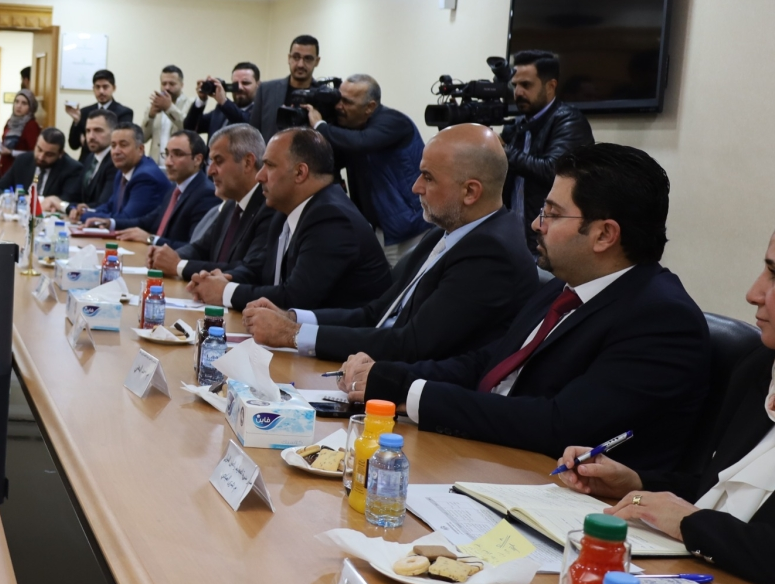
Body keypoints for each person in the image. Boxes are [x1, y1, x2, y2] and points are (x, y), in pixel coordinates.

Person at [341, 144, 709, 474]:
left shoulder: (661, 319)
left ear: (604, 235)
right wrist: (390, 377)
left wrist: (411, 394)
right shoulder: (563, 287)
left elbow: (560, 424)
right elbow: (487, 364)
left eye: (552, 214)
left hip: (561, 495)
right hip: (490, 459)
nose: (536, 224)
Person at [555, 230, 775, 584]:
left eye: (774, 275)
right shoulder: (759, 367)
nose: (754, 293)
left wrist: (693, 525)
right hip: (700, 579)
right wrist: (635, 483)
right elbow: (717, 490)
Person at [243, 123, 540, 362]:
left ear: (470, 192)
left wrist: (294, 335)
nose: (415, 187)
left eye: (427, 177)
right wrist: (292, 318)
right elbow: (375, 314)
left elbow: (412, 344)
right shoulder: (446, 232)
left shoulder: (491, 253)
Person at [187, 128, 391, 313]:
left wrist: (225, 292)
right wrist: (223, 279)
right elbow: (259, 269)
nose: (259, 176)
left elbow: (295, 298)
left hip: (342, 340)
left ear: (300, 172)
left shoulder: (332, 218)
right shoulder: (285, 211)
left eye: (269, 165)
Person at [306, 74, 428, 265]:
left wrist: (320, 126)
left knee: (401, 279)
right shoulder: (352, 126)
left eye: (347, 102)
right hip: (378, 226)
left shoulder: (394, 121)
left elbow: (361, 142)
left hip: (407, 228)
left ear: (370, 107)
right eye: (339, 99)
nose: (339, 106)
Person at [146, 124, 274, 281]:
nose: (210, 171)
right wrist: (167, 256)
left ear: (247, 162)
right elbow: (200, 248)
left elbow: (248, 270)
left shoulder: (269, 207)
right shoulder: (230, 204)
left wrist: (179, 265)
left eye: (218, 161)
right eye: (211, 161)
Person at [501, 50, 594, 251]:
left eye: (526, 85)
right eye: (515, 85)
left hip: (551, 239)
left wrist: (503, 152)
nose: (518, 93)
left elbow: (554, 170)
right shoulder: (516, 125)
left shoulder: (569, 120)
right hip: (515, 238)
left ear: (550, 86)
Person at [113, 130, 218, 247]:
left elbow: (193, 248)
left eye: (178, 154)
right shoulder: (175, 189)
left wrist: (150, 239)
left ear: (197, 159)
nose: (168, 162)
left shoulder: (206, 194)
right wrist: (111, 223)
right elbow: (146, 221)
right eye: (167, 154)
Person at [74, 123, 172, 230]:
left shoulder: (146, 177)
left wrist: (85, 216)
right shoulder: (122, 172)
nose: (116, 151)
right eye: (113, 146)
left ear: (140, 149)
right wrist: (87, 211)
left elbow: (126, 219)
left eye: (123, 145)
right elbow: (110, 206)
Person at [252, 34, 322, 138]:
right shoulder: (266, 90)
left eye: (308, 58)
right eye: (296, 57)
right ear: (289, 58)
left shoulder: (323, 96)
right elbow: (253, 133)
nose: (300, 64)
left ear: (317, 61)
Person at [44, 111, 113, 212]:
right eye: (88, 131)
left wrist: (62, 205)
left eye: (98, 130)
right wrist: (55, 202)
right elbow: (76, 196)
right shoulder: (90, 158)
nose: (91, 136)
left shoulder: (115, 162)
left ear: (113, 132)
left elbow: (102, 205)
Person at [0, 128, 85, 202]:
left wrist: (37, 201)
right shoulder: (22, 160)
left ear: (61, 154)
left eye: (48, 154)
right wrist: (16, 199)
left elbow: (66, 201)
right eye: (39, 149)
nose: (41, 157)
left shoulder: (72, 169)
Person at [65, 69, 132, 153]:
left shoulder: (124, 112)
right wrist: (76, 121)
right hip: (87, 160)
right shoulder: (84, 112)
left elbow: (121, 142)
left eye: (105, 87)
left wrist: (86, 141)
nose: (101, 91)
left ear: (114, 88)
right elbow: (73, 145)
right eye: (97, 87)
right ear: (93, 88)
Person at [185, 63, 259, 136]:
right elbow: (190, 128)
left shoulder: (260, 112)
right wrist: (201, 100)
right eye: (235, 84)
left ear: (258, 85)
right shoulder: (221, 110)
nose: (239, 87)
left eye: (245, 83)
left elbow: (245, 124)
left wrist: (223, 101)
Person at [142, 66, 195, 161]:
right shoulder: (153, 106)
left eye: (172, 84)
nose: (167, 87)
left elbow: (188, 128)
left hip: (180, 164)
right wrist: (150, 116)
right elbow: (142, 138)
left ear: (181, 85)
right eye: (164, 83)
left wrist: (169, 108)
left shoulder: (191, 104)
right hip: (156, 164)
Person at [0, 88, 41, 185]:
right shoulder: (10, 122)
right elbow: (3, 149)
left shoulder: (31, 125)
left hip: (20, 173)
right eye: (17, 101)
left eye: (24, 103)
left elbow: (34, 153)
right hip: (3, 172)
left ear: (31, 107)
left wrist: (11, 152)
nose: (19, 106)